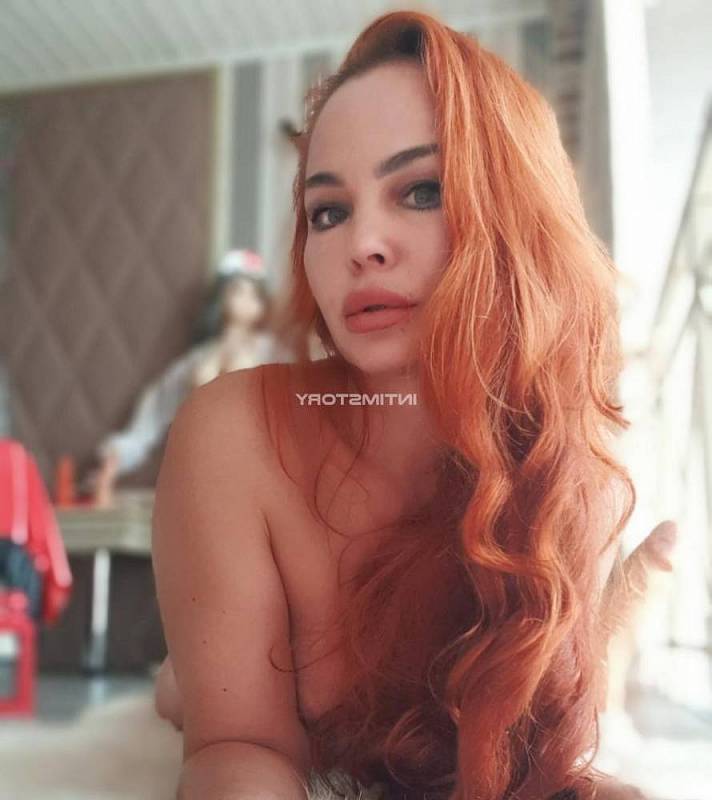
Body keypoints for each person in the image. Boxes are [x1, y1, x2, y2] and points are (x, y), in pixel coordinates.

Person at [151, 11, 678, 800]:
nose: (361, 243)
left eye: (421, 190)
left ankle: (613, 625)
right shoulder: (233, 432)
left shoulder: (568, 465)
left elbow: (528, 766)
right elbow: (238, 746)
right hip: (237, 678)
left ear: (515, 214)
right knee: (182, 694)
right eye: (328, 210)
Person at [86, 249, 279, 507]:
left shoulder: (273, 352)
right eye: (236, 290)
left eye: (253, 294)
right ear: (221, 295)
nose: (244, 300)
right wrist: (115, 459)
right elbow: (152, 413)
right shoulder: (196, 361)